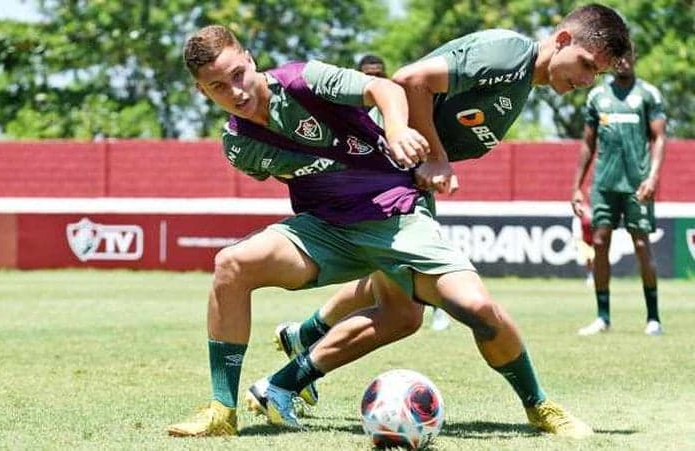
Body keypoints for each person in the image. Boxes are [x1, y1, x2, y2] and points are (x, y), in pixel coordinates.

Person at [168, 3, 628, 439]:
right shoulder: (238, 147)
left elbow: (386, 87)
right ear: (201, 92)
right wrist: (426, 157)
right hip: (327, 229)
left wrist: (399, 133)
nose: (236, 92)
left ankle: (539, 406)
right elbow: (407, 85)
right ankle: (221, 410)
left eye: (238, 75)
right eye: (218, 88)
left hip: (396, 212)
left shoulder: (302, 79)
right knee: (232, 264)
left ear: (250, 60)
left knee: (464, 312)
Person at [572, 44, 666, 336]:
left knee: (641, 246)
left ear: (635, 58)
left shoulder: (648, 94)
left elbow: (659, 138)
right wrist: (576, 186)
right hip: (605, 184)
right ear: (611, 62)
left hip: (637, 185)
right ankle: (603, 317)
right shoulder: (597, 96)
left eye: (628, 56)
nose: (623, 62)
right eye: (618, 57)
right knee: (599, 244)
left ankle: (653, 319)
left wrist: (652, 178)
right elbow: (588, 143)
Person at [355, 52, 451, 331]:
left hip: (410, 189)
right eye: (368, 74)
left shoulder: (398, 106)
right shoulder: (350, 111)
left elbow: (420, 137)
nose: (374, 78)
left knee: (427, 249)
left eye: (379, 73)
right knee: (374, 264)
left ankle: (437, 309)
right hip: (372, 196)